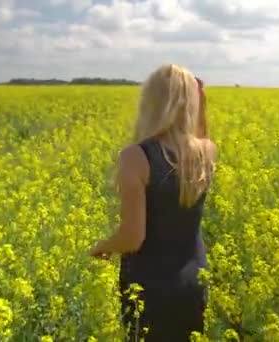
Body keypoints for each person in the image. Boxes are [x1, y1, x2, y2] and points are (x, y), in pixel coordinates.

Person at [90, 64, 217, 341]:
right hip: (194, 279)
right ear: (191, 104)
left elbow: (133, 238)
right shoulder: (206, 152)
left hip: (149, 285)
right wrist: (201, 105)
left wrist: (104, 246)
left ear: (151, 102)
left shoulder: (136, 157)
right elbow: (200, 135)